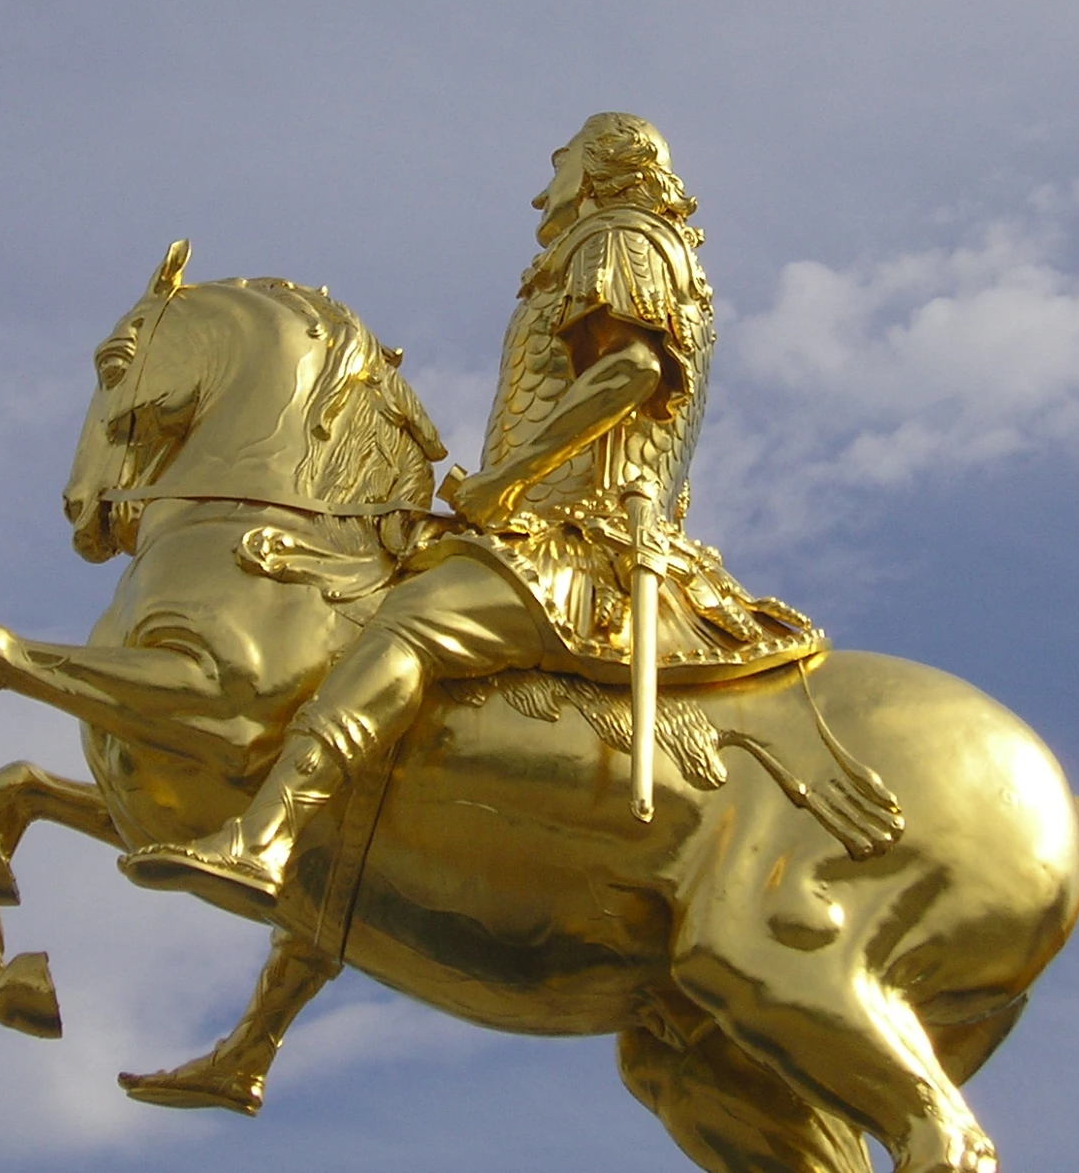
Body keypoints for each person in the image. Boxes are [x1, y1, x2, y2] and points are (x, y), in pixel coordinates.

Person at [122, 112, 824, 913]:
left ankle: (266, 837)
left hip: (578, 540)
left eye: (559, 165)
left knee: (410, 627)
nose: (542, 189)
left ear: (596, 169)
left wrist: (511, 479)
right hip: (540, 526)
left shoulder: (620, 240)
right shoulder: (610, 248)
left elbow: (629, 368)